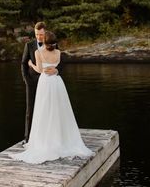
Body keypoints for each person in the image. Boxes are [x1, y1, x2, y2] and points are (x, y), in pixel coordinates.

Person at [12, 31, 94, 164]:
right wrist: (55, 70)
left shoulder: (38, 53)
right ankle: (61, 138)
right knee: (60, 109)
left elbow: (39, 70)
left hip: (45, 83)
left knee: (44, 110)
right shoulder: (58, 53)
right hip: (56, 82)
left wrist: (30, 65)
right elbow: (56, 65)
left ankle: (46, 139)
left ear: (44, 41)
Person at [21, 22, 63, 143]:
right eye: (36, 34)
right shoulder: (29, 45)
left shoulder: (53, 44)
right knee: (30, 109)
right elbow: (24, 63)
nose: (39, 37)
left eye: (41, 34)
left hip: (49, 82)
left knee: (49, 109)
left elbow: (60, 62)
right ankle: (27, 138)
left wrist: (57, 70)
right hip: (33, 82)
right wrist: (26, 80)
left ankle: (47, 137)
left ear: (45, 33)